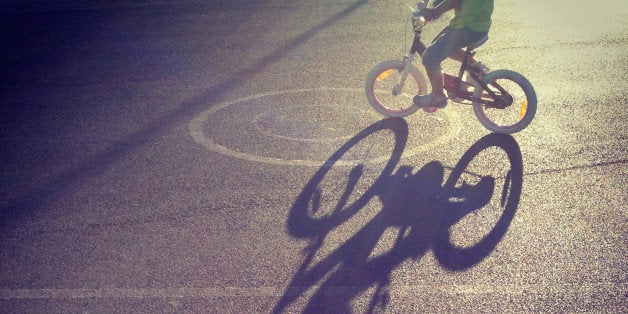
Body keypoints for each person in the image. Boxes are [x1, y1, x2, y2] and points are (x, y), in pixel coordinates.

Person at [413, 0, 494, 108]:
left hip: (469, 27)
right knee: (436, 45)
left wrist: (433, 12)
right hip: (469, 23)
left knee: (430, 58)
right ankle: (475, 68)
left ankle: (437, 97)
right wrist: (430, 6)